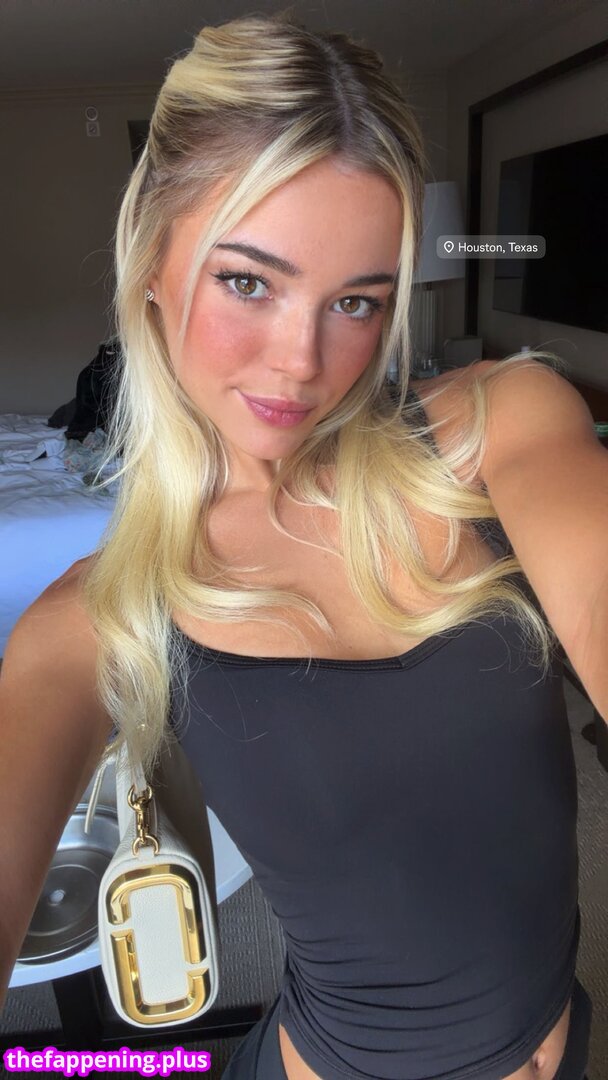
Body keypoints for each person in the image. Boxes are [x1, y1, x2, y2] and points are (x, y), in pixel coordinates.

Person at [0, 13, 596, 1080]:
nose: (302, 363)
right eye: (247, 281)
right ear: (152, 269)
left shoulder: (501, 426)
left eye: (355, 302)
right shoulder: (95, 618)